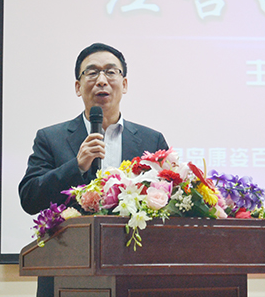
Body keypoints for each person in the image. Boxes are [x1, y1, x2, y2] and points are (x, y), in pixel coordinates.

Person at [18, 43, 169, 297]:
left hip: (135, 275)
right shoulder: (50, 138)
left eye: (111, 72)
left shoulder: (151, 141)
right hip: (67, 274)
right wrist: (75, 166)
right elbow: (30, 198)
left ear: (124, 84)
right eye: (92, 72)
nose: (101, 80)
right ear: (78, 87)